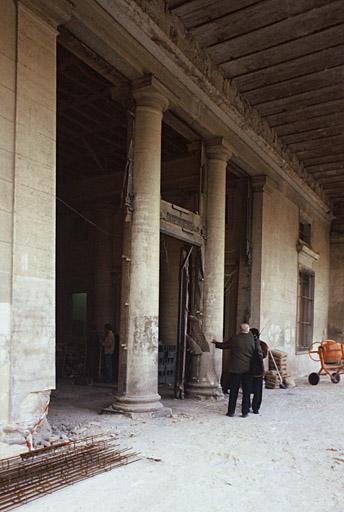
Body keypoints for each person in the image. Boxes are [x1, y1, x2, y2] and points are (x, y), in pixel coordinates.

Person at [212, 323, 262, 418]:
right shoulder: (254, 340)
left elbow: (224, 345)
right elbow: (259, 354)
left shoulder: (235, 338)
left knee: (234, 391)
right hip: (248, 370)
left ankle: (231, 412)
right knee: (246, 392)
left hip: (235, 369)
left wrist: (216, 343)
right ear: (248, 330)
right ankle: (245, 412)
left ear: (240, 330)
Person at [249, 327, 268, 414]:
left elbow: (263, 355)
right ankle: (249, 405)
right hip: (250, 369)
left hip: (257, 369)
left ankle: (255, 407)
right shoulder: (248, 343)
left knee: (257, 390)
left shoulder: (262, 344)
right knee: (248, 389)